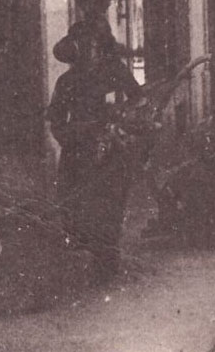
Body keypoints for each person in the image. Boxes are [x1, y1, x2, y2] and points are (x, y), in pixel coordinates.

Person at [48, 17, 143, 281]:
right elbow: (56, 120)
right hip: (77, 153)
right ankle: (82, 265)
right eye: (80, 44)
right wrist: (70, 137)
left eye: (90, 44)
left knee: (109, 208)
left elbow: (138, 99)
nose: (86, 50)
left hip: (111, 151)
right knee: (74, 208)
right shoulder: (66, 82)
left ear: (99, 47)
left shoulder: (115, 72)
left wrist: (122, 118)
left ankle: (107, 266)